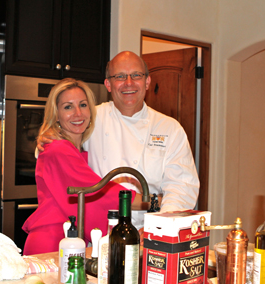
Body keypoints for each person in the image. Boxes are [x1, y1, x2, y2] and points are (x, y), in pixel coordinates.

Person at [38, 51, 199, 215]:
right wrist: (48, 137)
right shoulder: (89, 118)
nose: (129, 83)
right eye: (120, 77)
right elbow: (58, 151)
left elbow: (182, 188)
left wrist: (159, 227)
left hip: (149, 229)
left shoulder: (169, 128)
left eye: (136, 75)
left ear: (147, 82)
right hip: (99, 231)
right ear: (108, 84)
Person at [22, 78, 142, 255]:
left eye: (83, 105)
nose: (78, 113)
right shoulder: (58, 149)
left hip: (70, 243)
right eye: (68, 107)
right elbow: (98, 192)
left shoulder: (76, 150)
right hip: (51, 244)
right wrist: (151, 201)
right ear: (56, 114)